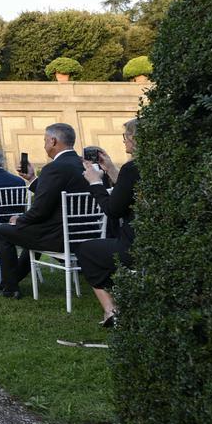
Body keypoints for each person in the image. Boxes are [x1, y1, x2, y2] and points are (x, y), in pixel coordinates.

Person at [0, 123, 90, 298]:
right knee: (31, 233)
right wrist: (32, 178)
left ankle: (10, 287)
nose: (44, 144)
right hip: (86, 235)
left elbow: (40, 211)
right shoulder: (86, 165)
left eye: (45, 140)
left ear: (53, 141)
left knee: (2, 231)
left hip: (60, 237)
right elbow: (55, 196)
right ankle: (11, 279)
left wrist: (19, 219)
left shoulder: (54, 168)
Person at [77, 119, 140, 327]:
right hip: (159, 243)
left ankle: (111, 310)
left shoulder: (132, 168)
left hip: (134, 247)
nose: (124, 142)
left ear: (135, 139)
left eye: (126, 137)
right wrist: (112, 169)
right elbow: (130, 193)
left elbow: (113, 210)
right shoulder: (156, 166)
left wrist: (95, 182)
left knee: (86, 250)